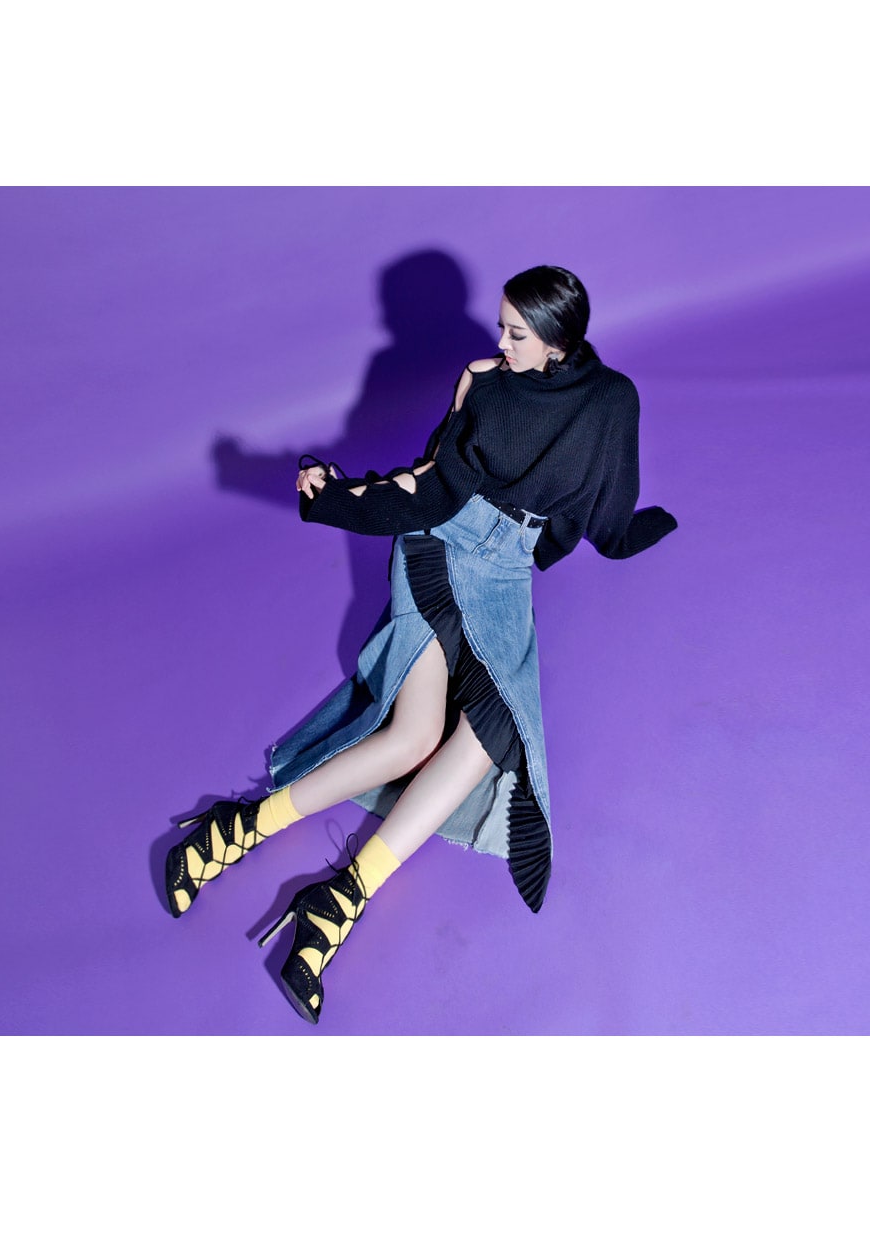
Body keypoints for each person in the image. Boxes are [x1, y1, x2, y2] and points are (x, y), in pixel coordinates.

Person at [164, 265, 677, 1024]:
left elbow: (609, 513)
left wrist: (636, 532)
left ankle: (339, 897)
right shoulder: (488, 387)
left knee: (494, 734)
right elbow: (429, 487)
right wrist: (336, 496)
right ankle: (238, 827)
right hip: (440, 544)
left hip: (504, 575)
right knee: (414, 736)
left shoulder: (612, 401)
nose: (500, 344)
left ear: (561, 342)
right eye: (501, 327)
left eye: (517, 334)